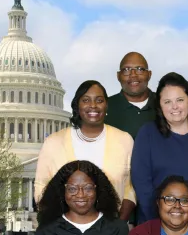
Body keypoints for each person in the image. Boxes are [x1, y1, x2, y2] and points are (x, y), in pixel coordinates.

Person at [35, 80, 136, 221]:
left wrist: (118, 224)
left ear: (106, 105)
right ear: (77, 105)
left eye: (99, 100)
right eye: (86, 100)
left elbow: (131, 188)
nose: (93, 105)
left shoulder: (124, 140)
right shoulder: (53, 142)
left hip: (112, 228)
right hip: (64, 233)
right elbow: (42, 187)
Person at [131, 72, 188, 224]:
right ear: (159, 105)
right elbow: (142, 184)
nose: (174, 107)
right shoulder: (147, 134)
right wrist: (162, 225)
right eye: (167, 102)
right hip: (155, 226)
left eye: (180, 100)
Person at [105, 52, 156, 140]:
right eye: (126, 69)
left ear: (149, 74)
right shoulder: (104, 107)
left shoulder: (166, 104)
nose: (133, 74)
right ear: (118, 76)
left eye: (140, 69)